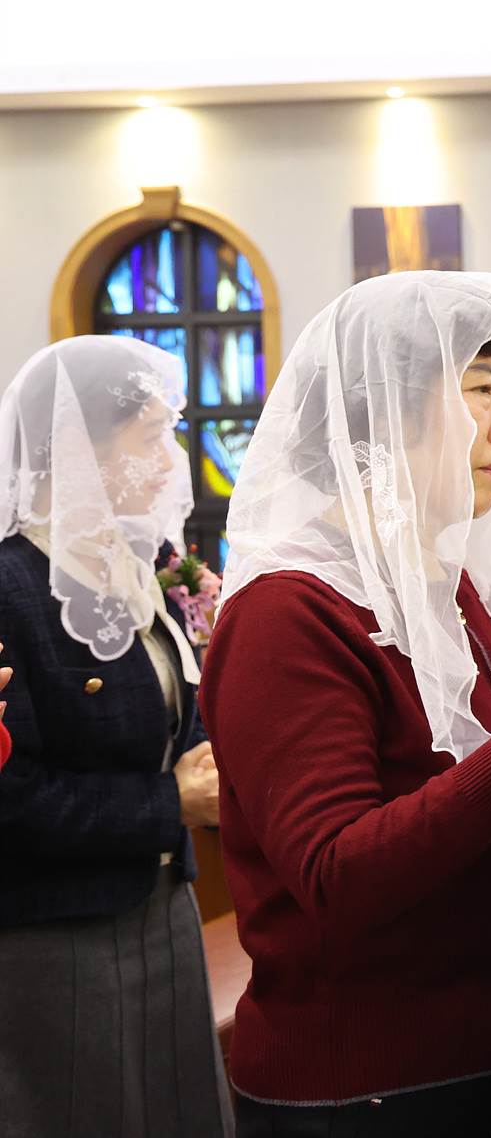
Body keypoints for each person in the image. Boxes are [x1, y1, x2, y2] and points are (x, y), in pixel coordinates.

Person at [198, 271, 491, 1137]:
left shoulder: (457, 592)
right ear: (387, 407)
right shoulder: (286, 613)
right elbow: (337, 873)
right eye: (480, 390)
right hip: (370, 1087)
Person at [0, 336, 232, 1138]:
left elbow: (172, 708)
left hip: (165, 905)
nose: (172, 462)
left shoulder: (134, 567)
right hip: (61, 934)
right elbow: (11, 796)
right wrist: (171, 801)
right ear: (78, 448)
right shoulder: (12, 586)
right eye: (152, 437)